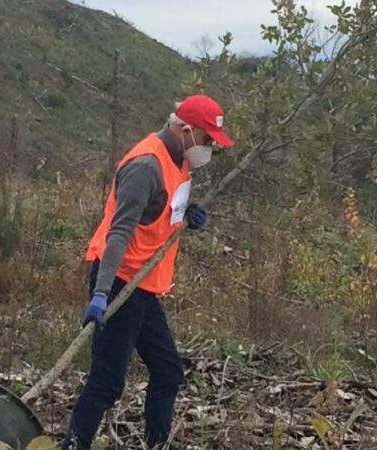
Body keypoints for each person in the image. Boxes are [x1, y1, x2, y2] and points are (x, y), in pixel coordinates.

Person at [63, 95, 234, 450]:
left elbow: (161, 209)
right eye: (206, 141)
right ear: (185, 130)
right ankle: (73, 445)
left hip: (144, 286)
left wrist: (189, 215)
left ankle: (158, 444)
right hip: (119, 283)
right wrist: (100, 295)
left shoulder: (178, 157)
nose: (208, 150)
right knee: (107, 383)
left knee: (168, 373)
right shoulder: (145, 166)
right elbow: (119, 232)